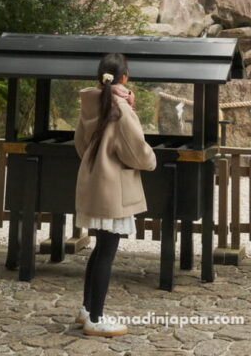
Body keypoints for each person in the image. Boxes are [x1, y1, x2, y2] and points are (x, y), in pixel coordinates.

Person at [73, 51, 156, 337]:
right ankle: (96, 318)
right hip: (114, 187)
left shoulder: (92, 101)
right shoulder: (119, 107)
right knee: (107, 252)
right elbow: (136, 151)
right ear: (125, 77)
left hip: (95, 180)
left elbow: (81, 144)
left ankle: (86, 310)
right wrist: (151, 160)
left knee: (99, 250)